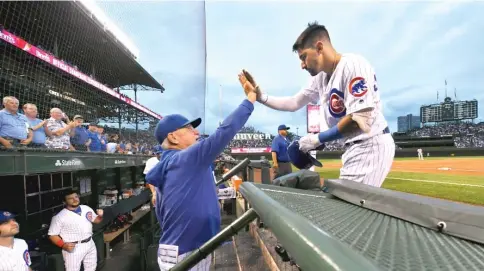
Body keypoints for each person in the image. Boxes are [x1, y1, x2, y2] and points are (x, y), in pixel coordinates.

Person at [238, 22, 395, 188]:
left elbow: (358, 120)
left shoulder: (353, 66)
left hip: (370, 144)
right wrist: (261, 96)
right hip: (353, 147)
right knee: (343, 202)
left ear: (319, 48)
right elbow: (294, 102)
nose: (302, 64)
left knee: (343, 206)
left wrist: (316, 139)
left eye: (303, 57)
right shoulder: (320, 77)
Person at [145, 85, 257, 270]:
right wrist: (250, 99)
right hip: (185, 254)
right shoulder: (185, 159)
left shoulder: (173, 162)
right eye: (189, 128)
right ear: (173, 137)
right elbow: (225, 131)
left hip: (181, 250)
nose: (196, 132)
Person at [48, 190, 104, 271]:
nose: (75, 199)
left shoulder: (86, 208)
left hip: (89, 242)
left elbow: (96, 220)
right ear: (65, 202)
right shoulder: (59, 216)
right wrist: (63, 245)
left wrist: (100, 216)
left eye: (76, 197)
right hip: (74, 247)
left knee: (92, 268)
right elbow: (52, 235)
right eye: (70, 198)